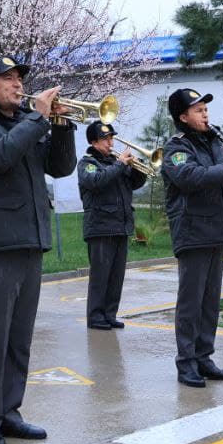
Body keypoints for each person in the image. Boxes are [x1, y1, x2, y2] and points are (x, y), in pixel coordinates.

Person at [0, 54, 77, 444]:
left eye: (18, 77)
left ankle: (10, 411)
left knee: (19, 338)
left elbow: (60, 168)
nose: (15, 84)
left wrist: (60, 125)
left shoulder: (26, 124)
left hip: (29, 240)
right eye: (6, 78)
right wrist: (38, 118)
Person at [161, 88, 223, 387]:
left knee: (211, 300)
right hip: (192, 230)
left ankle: (204, 357)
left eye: (205, 109)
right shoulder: (177, 147)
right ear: (183, 116)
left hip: (215, 228)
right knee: (191, 302)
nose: (205, 114)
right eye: (198, 110)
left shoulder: (214, 142)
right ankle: (186, 363)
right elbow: (188, 177)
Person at [77, 120, 147, 330]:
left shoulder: (116, 163)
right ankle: (96, 316)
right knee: (101, 276)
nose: (111, 143)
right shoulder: (87, 163)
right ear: (93, 142)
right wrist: (120, 165)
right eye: (105, 139)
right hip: (99, 227)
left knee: (116, 276)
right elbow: (96, 182)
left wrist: (137, 166)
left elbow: (135, 183)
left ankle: (109, 314)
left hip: (120, 226)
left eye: (111, 138)